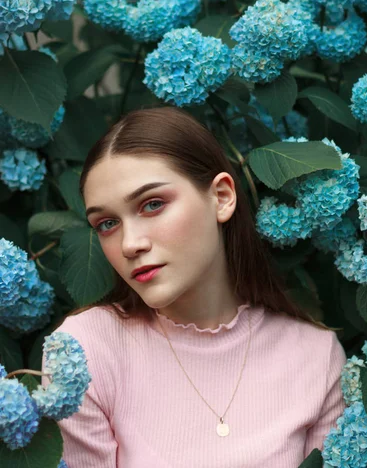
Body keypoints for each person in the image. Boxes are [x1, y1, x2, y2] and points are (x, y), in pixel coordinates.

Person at [41, 105, 347, 468]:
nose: (129, 244)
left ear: (221, 197)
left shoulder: (315, 357)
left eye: (152, 204)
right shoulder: (84, 352)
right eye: (107, 224)